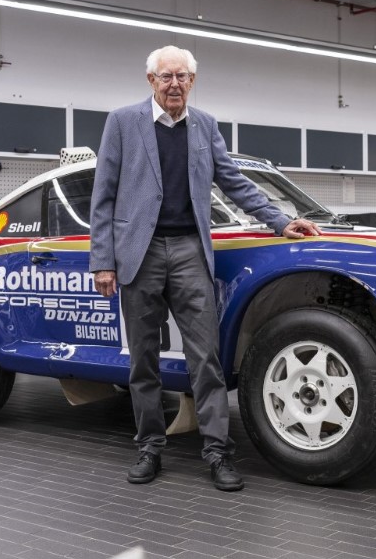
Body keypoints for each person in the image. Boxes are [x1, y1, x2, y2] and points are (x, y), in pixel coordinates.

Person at [89, 45, 321, 492]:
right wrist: (104, 261)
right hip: (140, 254)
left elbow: (234, 181)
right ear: (150, 81)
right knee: (143, 360)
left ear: (192, 82)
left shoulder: (206, 126)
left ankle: (217, 453)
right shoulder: (121, 123)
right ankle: (149, 448)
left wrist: (279, 219)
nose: (174, 84)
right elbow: (103, 196)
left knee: (206, 360)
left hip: (190, 252)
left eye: (182, 76)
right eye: (165, 76)